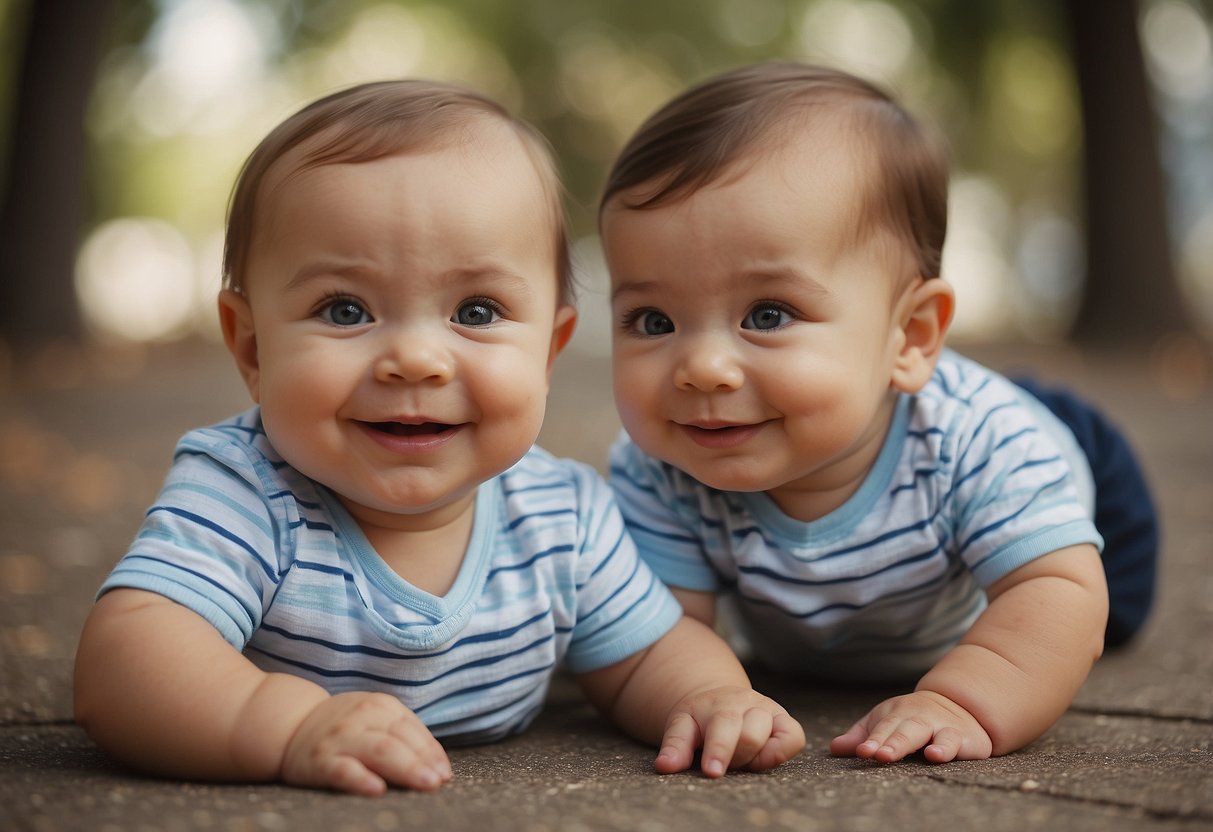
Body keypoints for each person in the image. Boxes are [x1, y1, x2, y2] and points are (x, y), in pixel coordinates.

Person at [74, 80, 805, 796]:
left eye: (477, 311)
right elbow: (127, 663)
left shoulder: (561, 514)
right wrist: (288, 726)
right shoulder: (246, 490)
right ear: (254, 348)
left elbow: (647, 655)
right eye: (345, 309)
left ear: (547, 353)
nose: (416, 359)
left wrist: (709, 696)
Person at [598, 62, 1158, 765]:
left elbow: (1056, 596)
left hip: (1050, 476)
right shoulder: (657, 466)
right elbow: (663, 629)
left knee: (1109, 603)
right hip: (844, 609)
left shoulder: (982, 445)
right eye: (651, 320)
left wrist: (963, 700)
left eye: (766, 314)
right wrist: (705, 691)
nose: (701, 367)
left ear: (910, 335)